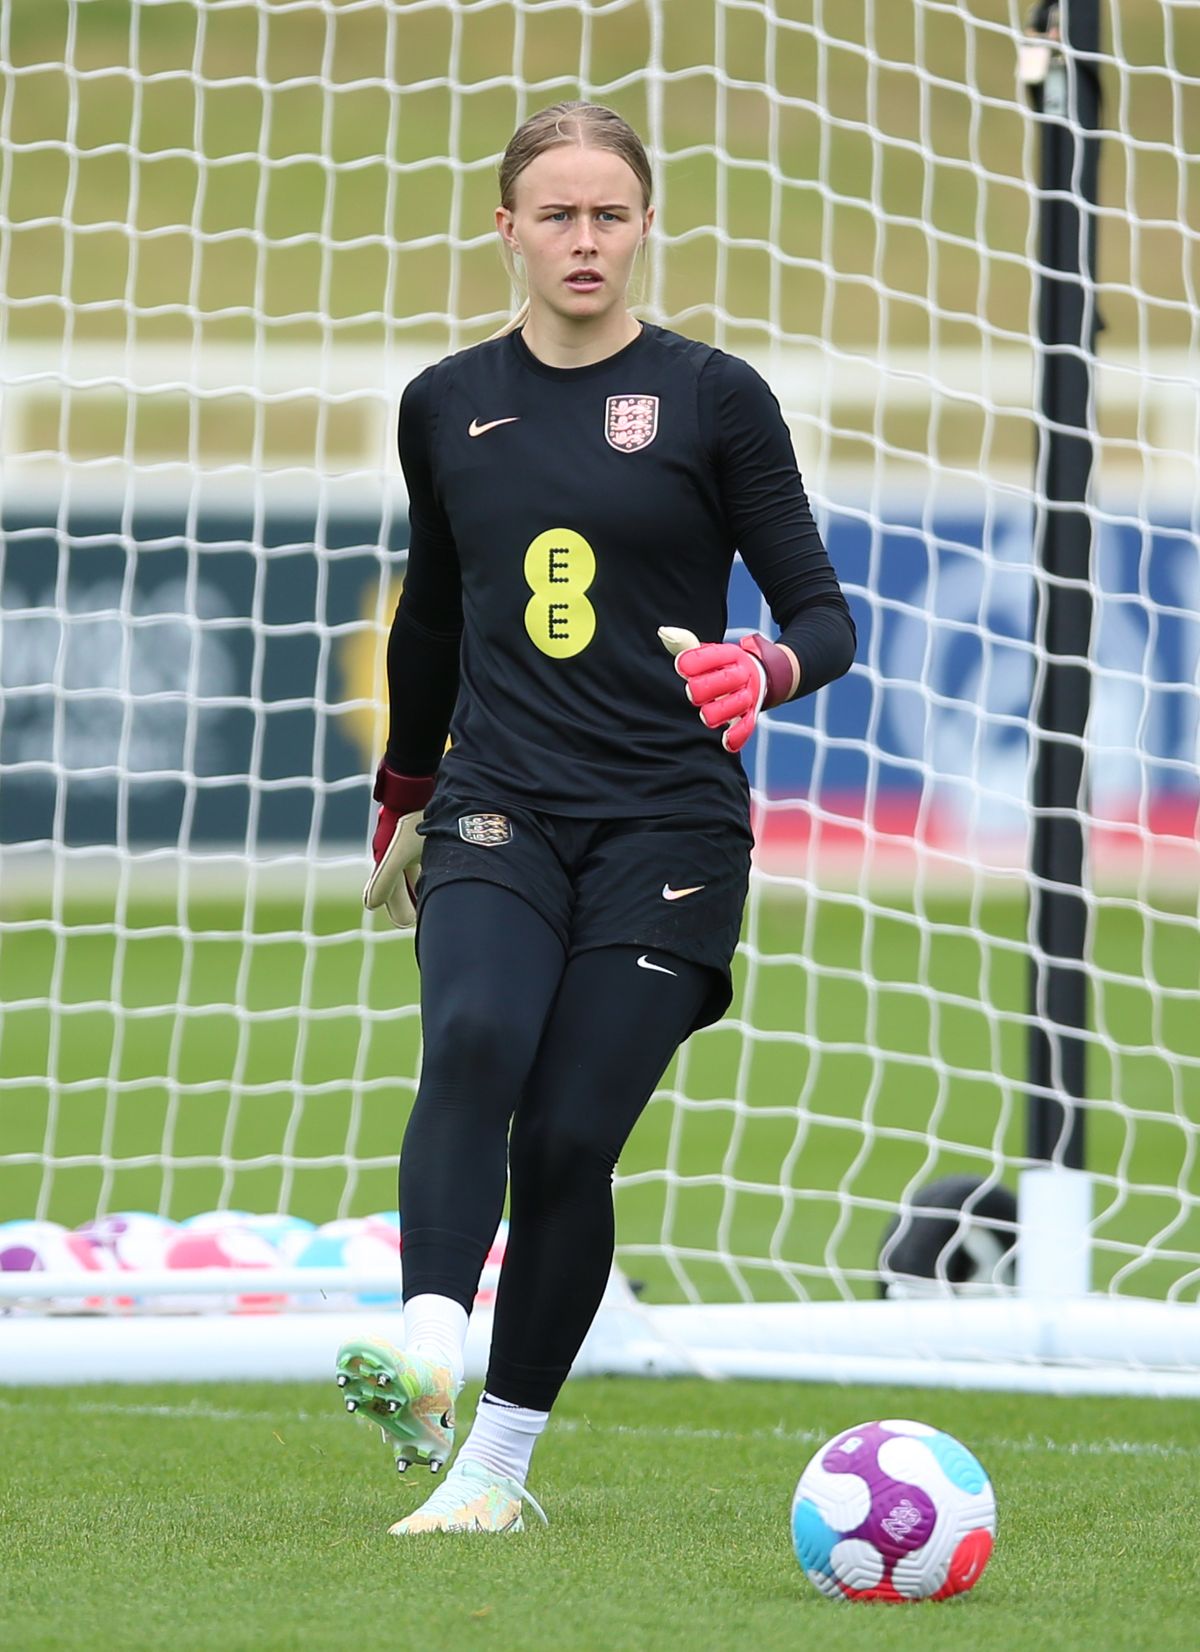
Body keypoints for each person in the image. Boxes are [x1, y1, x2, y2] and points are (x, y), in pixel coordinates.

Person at [335, 101, 856, 1536]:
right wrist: (405, 793)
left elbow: (824, 611)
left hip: (672, 827)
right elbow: (433, 615)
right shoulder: (444, 401)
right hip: (499, 800)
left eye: (608, 214)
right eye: (555, 213)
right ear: (505, 226)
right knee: (477, 1038)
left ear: (645, 226)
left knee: (565, 1140)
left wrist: (770, 664)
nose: (584, 240)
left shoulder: (713, 397)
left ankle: (495, 1476)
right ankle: (431, 1336)